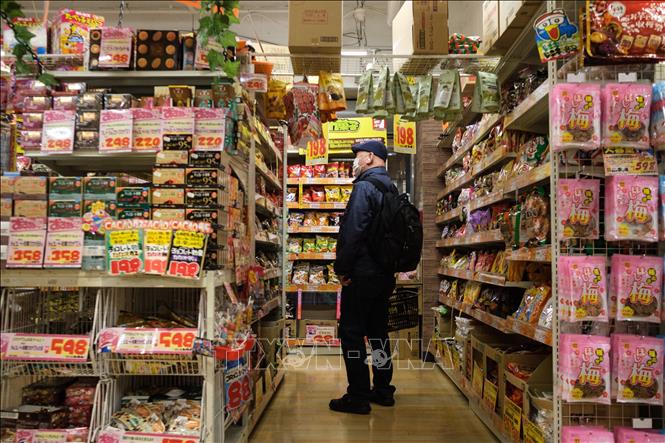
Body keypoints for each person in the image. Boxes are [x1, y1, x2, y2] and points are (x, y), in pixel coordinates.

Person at [330, 140, 397, 415]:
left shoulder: (364, 187)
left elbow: (353, 232)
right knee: (379, 333)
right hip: (384, 274)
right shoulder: (391, 187)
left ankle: (357, 395)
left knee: (352, 334)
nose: (354, 162)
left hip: (362, 274)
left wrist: (342, 269)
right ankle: (383, 389)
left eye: (357, 156)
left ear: (370, 157)